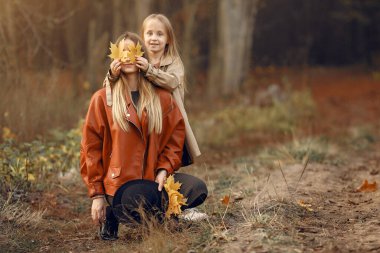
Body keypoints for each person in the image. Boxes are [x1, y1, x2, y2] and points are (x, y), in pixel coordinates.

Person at [80, 32, 208, 241]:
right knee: (134, 199)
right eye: (123, 52)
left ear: (143, 56)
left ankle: (159, 215)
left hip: (152, 180)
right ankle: (113, 214)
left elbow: (175, 141)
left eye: (133, 51)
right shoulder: (103, 99)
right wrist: (97, 195)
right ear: (115, 58)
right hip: (118, 185)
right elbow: (90, 149)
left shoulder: (162, 98)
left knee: (196, 189)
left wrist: (164, 169)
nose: (128, 57)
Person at [103, 14, 200, 166]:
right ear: (142, 38)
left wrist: (149, 70)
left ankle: (164, 175)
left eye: (160, 34)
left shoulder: (173, 61)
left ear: (168, 39)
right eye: (149, 33)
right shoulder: (134, 58)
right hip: (144, 114)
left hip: (167, 116)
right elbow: (110, 86)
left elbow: (173, 82)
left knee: (164, 150)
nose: (154, 38)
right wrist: (113, 75)